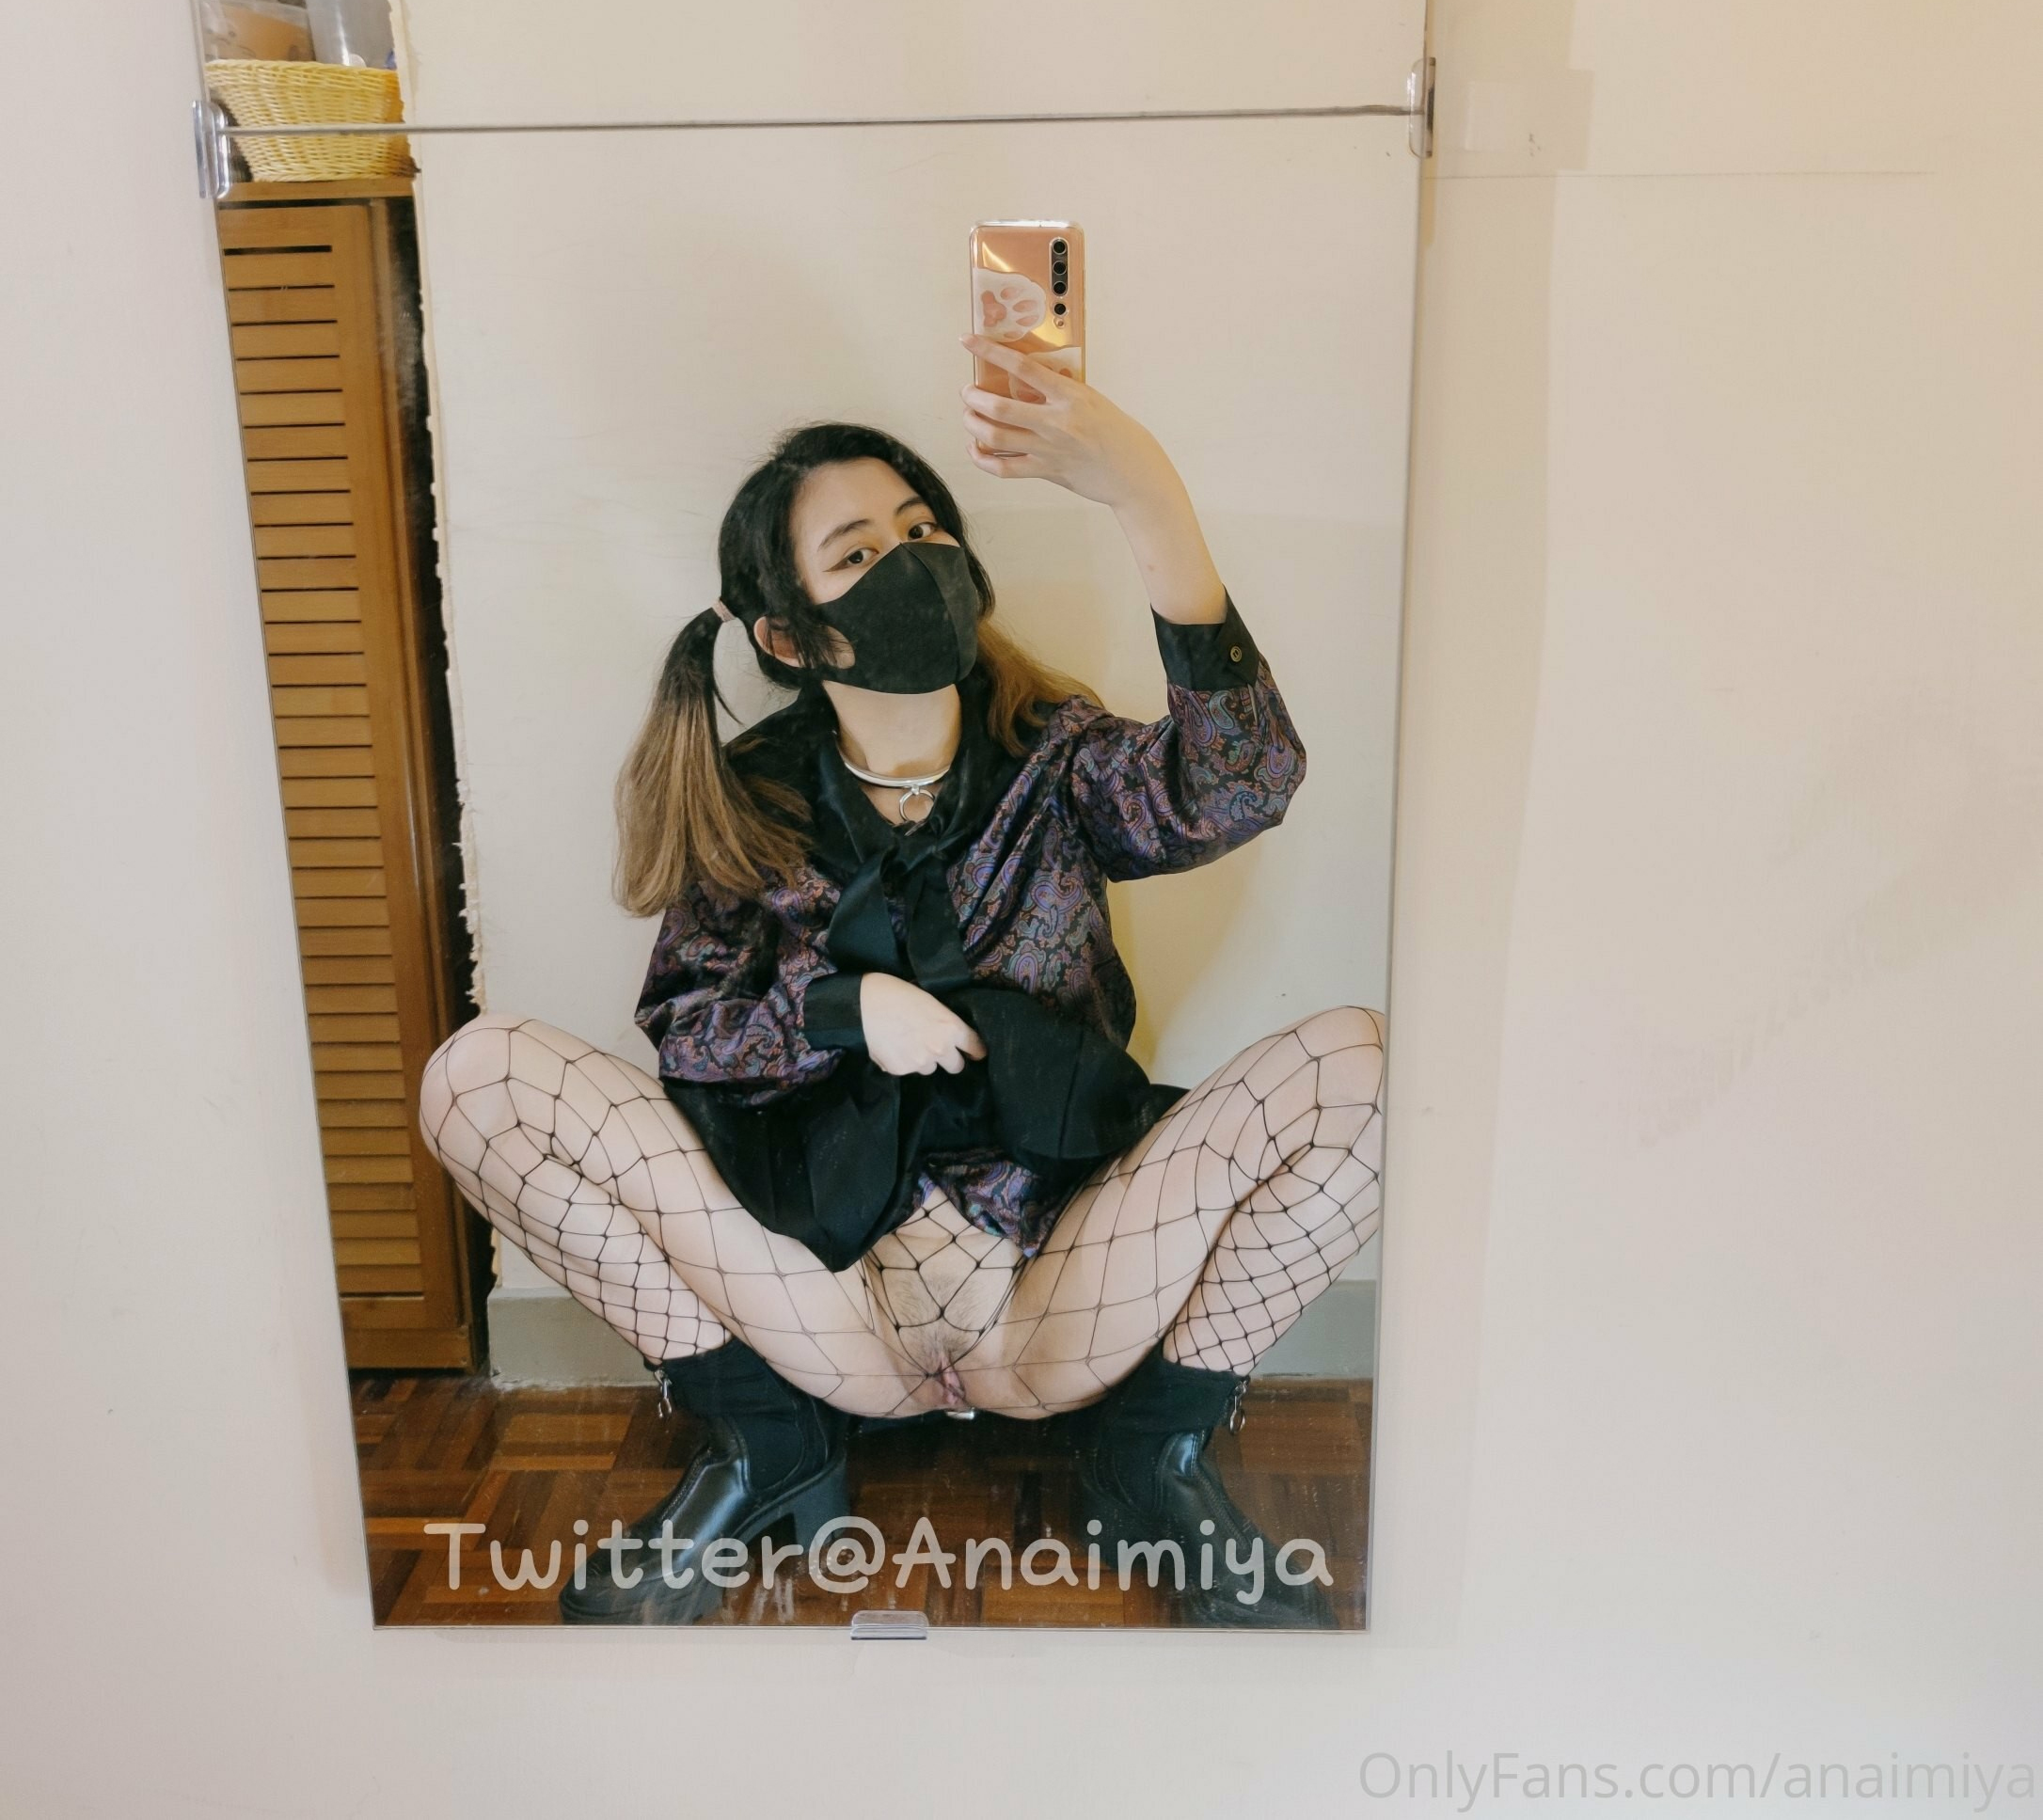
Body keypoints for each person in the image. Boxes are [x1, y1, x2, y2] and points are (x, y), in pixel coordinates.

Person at [420, 336, 1386, 1627]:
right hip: (825, 1300)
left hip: (1057, 1288)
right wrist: (844, 1013)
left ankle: (1150, 1457)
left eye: (924, 529)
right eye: (860, 553)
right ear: (791, 633)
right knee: (477, 1080)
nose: (911, 561)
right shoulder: (748, 799)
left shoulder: (1057, 759)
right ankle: (765, 1443)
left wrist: (1144, 491)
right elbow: (689, 1029)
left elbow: (1243, 782)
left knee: (1369, 1068)